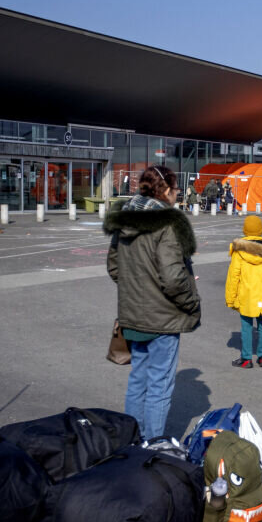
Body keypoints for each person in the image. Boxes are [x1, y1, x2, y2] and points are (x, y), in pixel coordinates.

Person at [104, 165, 200, 440]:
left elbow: (114, 266)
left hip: (133, 314)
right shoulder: (167, 223)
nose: (178, 195)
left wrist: (136, 287)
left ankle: (134, 441)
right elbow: (172, 278)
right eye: (176, 190)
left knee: (138, 380)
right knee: (158, 385)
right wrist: (191, 300)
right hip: (161, 318)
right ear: (166, 190)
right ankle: (153, 444)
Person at [226, 215, 262, 369]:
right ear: (261, 230)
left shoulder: (239, 252)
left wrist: (230, 298)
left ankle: (246, 358)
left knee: (246, 326)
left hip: (246, 295)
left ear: (245, 230)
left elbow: (233, 276)